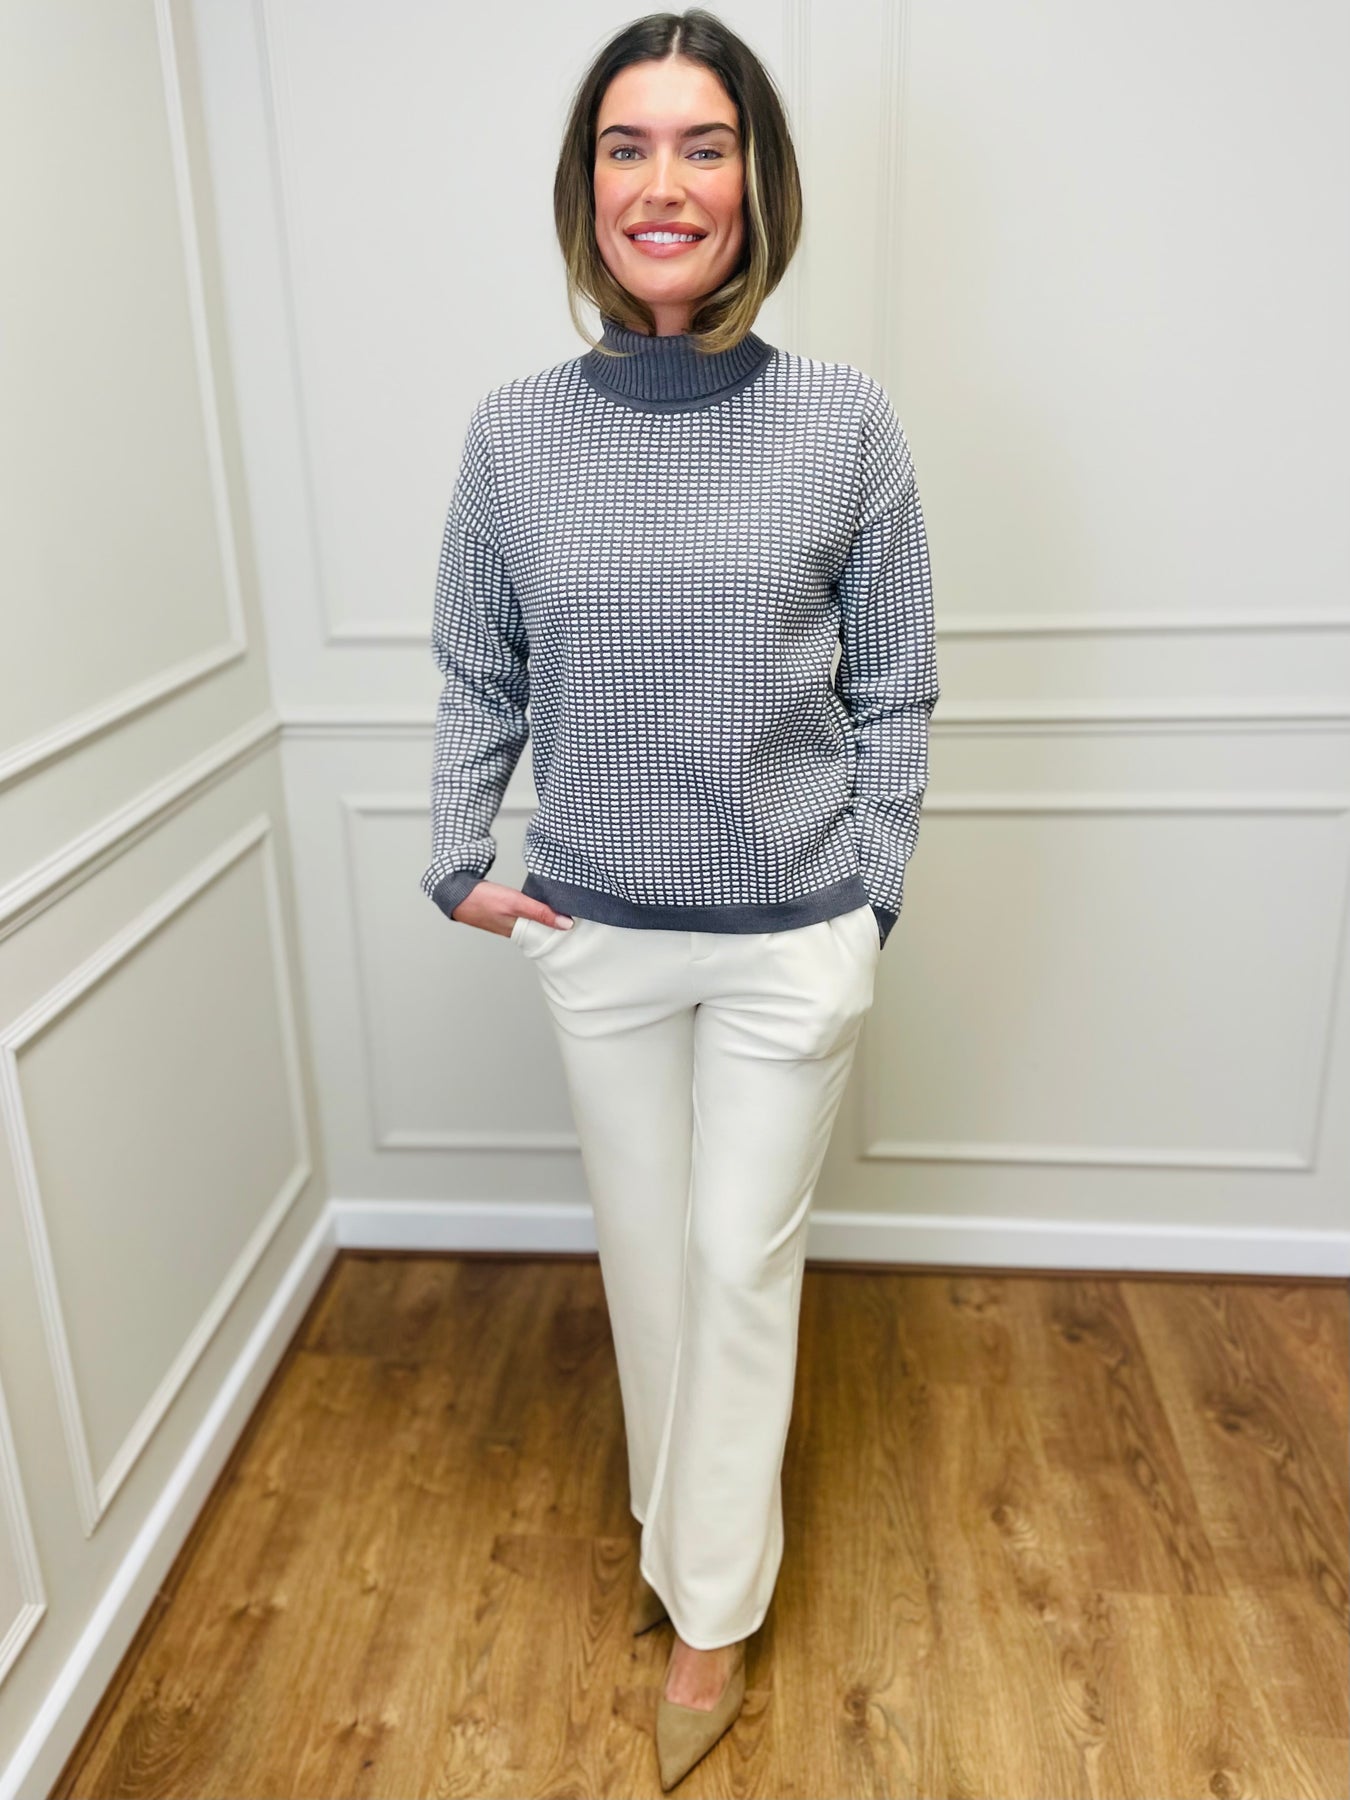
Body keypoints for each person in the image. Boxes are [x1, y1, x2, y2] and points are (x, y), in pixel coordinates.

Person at [421, 9, 938, 1788]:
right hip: (597, 936)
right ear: (587, 189)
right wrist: (456, 854)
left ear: (755, 182)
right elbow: (476, 666)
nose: (664, 183)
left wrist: (869, 897)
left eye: (702, 145)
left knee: (734, 1264)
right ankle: (677, 1536)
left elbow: (898, 684)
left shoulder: (842, 422)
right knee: (648, 1266)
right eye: (626, 147)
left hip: (793, 936)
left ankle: (712, 1607)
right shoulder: (512, 437)